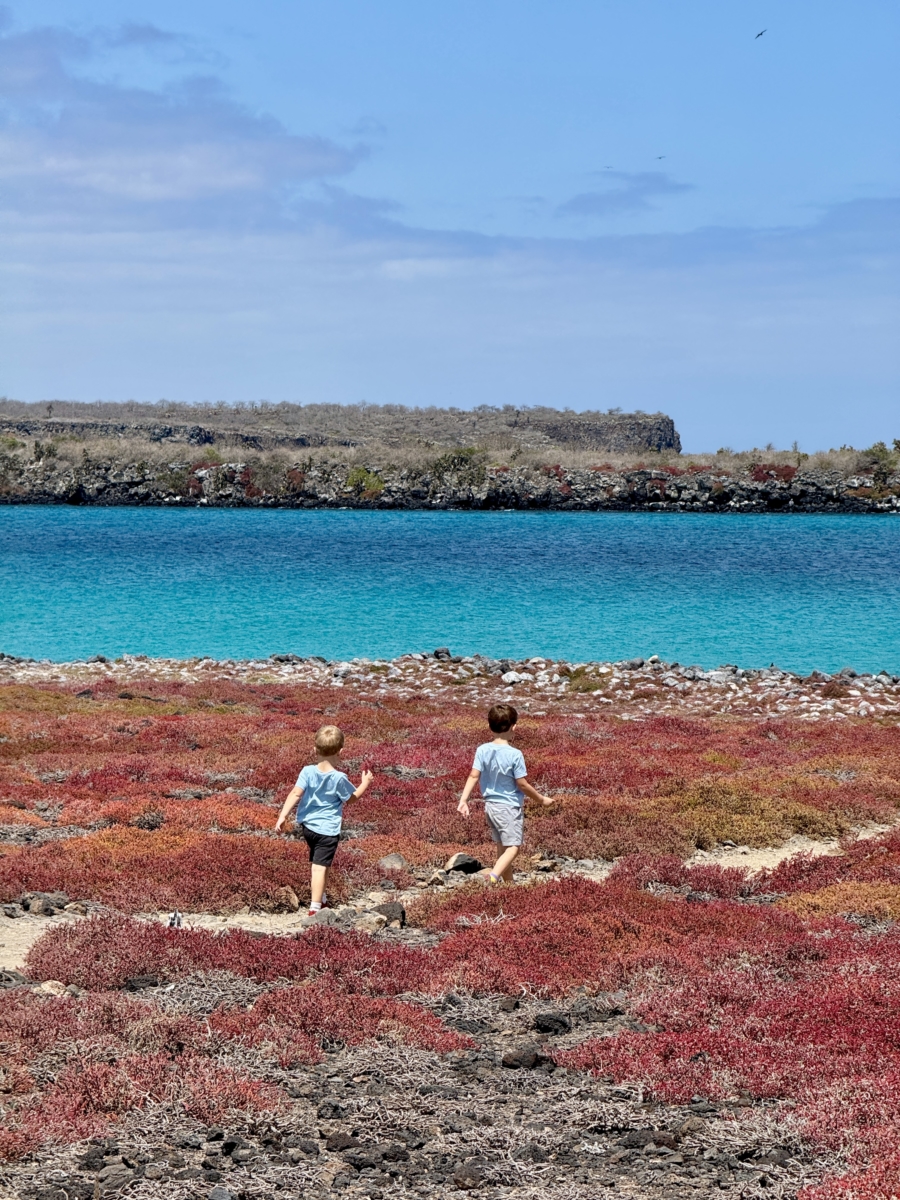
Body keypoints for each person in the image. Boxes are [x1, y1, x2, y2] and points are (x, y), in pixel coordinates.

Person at [275, 724, 373, 916]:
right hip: (327, 831)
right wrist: (365, 783)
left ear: (315, 749)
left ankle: (323, 899)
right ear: (341, 752)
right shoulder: (339, 778)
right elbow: (352, 799)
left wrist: (282, 815)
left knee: (323, 864)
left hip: (308, 828)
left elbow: (295, 793)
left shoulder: (307, 771)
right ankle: (314, 909)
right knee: (319, 868)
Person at [457, 702, 554, 883]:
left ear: (489, 726)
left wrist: (464, 800)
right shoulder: (515, 754)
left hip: (490, 807)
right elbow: (522, 784)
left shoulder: (482, 750)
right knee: (513, 848)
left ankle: (509, 886)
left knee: (502, 849)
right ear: (514, 726)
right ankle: (493, 878)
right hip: (509, 807)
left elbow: (473, 776)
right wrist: (541, 800)